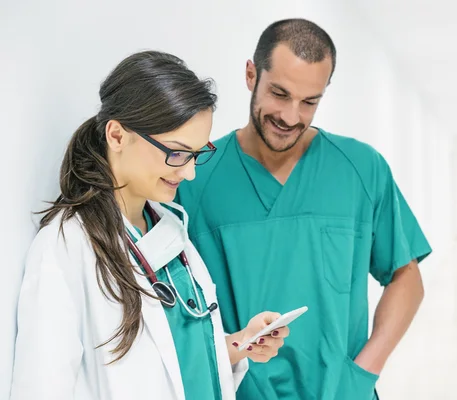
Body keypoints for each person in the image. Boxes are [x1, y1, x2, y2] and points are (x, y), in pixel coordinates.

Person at [10, 50, 290, 400]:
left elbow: (177, 357)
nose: (188, 173)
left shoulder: (171, 233)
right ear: (116, 136)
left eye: (197, 154)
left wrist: (236, 344)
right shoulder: (67, 248)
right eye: (176, 153)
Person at [175, 18, 432, 399]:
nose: (291, 116)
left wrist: (363, 373)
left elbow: (406, 277)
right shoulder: (195, 177)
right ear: (251, 75)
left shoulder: (360, 168)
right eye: (279, 93)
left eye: (309, 102)